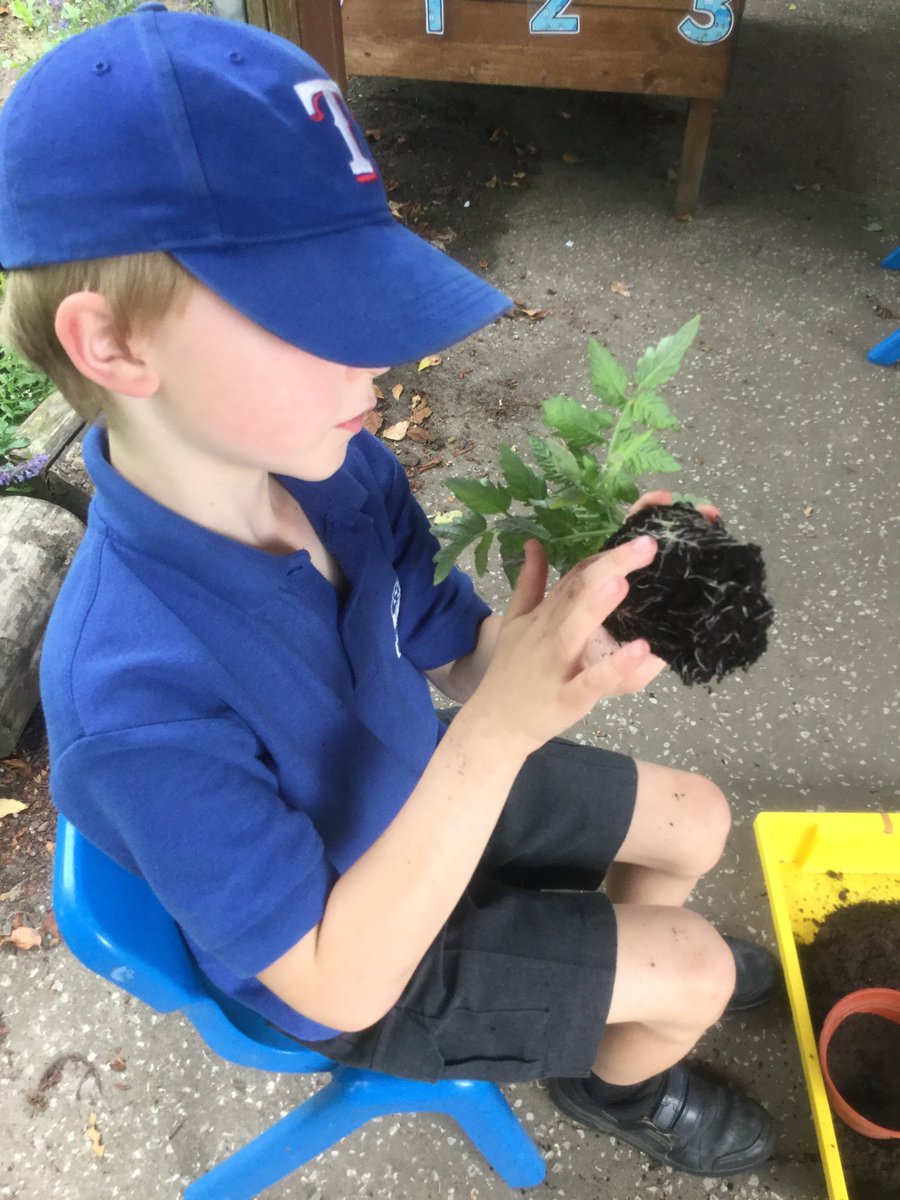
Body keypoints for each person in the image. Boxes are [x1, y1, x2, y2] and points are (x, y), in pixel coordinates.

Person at [0, 4, 779, 1178]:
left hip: (413, 781)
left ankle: (614, 980)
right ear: (112, 347)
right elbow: (334, 974)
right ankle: (624, 1083)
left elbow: (453, 655)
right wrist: (498, 736)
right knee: (702, 976)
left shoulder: (336, 465)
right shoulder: (131, 694)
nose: (379, 362)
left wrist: (585, 616)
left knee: (702, 819)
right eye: (318, 315)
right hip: (354, 956)